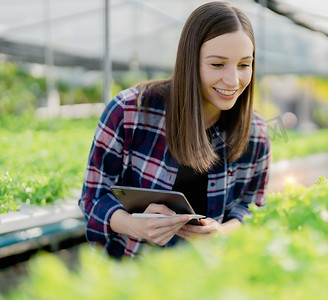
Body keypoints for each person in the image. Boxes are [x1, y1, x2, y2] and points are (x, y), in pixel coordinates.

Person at [79, 1, 271, 258]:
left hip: (209, 276)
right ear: (190, 60)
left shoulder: (255, 132)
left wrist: (223, 232)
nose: (233, 80)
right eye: (217, 64)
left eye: (244, 64)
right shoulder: (130, 111)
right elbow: (93, 197)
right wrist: (136, 225)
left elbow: (252, 207)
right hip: (131, 273)